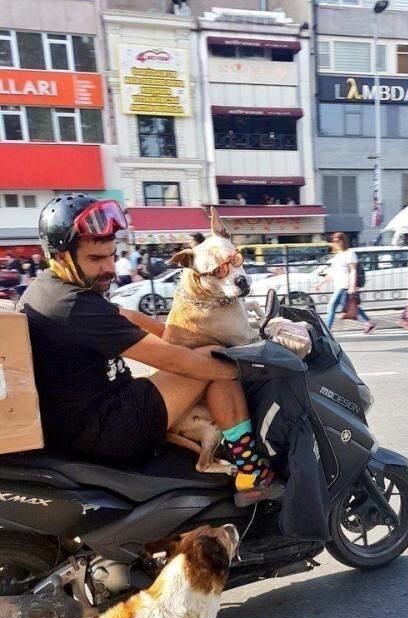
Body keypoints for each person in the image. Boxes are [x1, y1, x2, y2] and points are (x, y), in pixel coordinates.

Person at [20, 193, 279, 505]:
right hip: (109, 427)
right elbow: (175, 359)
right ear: (61, 256)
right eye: (96, 259)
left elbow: (126, 317)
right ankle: (250, 467)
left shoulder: (51, 289)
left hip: (93, 417)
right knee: (213, 358)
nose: (110, 268)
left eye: (111, 256)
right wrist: (248, 366)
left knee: (204, 359)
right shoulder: (72, 304)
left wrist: (175, 332)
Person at [319, 232, 375, 334]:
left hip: (345, 285)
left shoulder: (350, 254)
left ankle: (327, 330)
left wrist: (352, 287)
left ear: (343, 241)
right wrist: (320, 284)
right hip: (339, 285)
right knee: (351, 307)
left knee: (331, 305)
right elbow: (332, 273)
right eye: (334, 241)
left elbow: (353, 270)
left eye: (338, 241)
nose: (335, 243)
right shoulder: (337, 256)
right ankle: (369, 323)